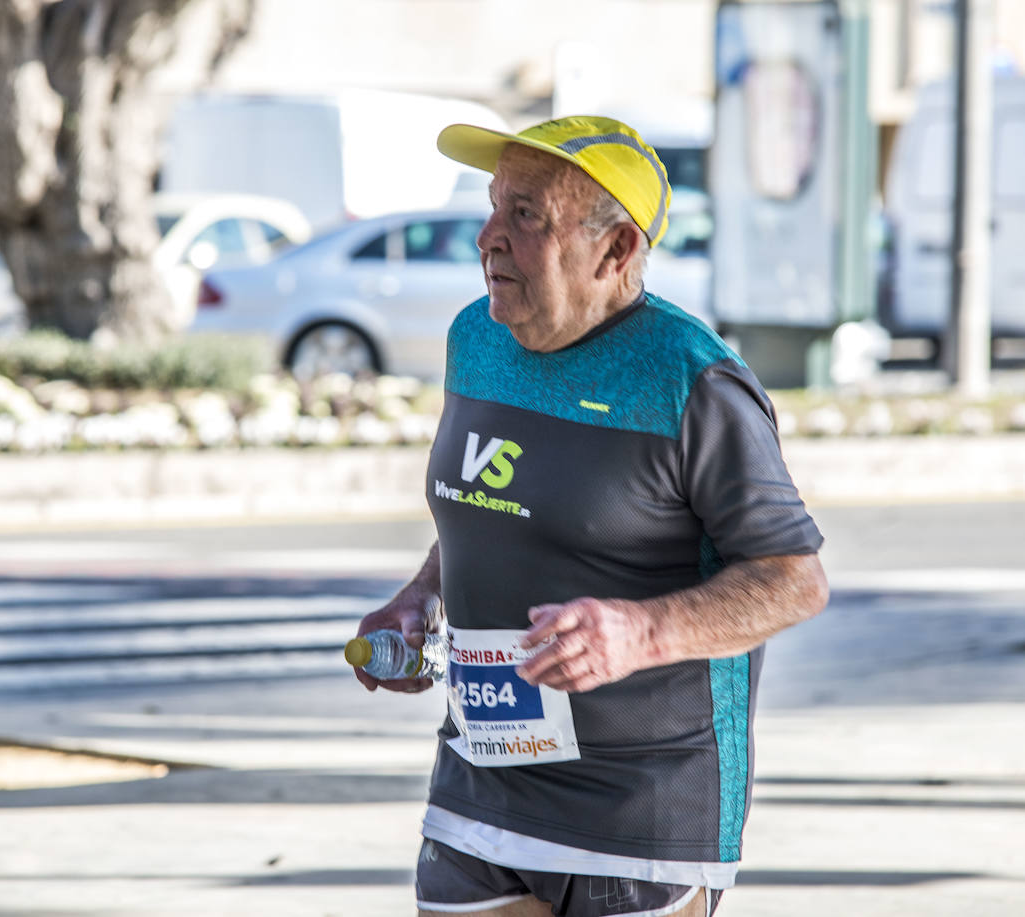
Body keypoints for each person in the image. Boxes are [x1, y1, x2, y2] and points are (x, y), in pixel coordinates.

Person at [352, 115, 829, 917]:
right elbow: (493, 500)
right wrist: (422, 595)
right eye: (495, 205)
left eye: (528, 215)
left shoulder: (693, 382)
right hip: (482, 778)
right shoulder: (477, 336)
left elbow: (794, 580)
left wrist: (642, 632)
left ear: (617, 252)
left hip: (641, 807)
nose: (488, 237)